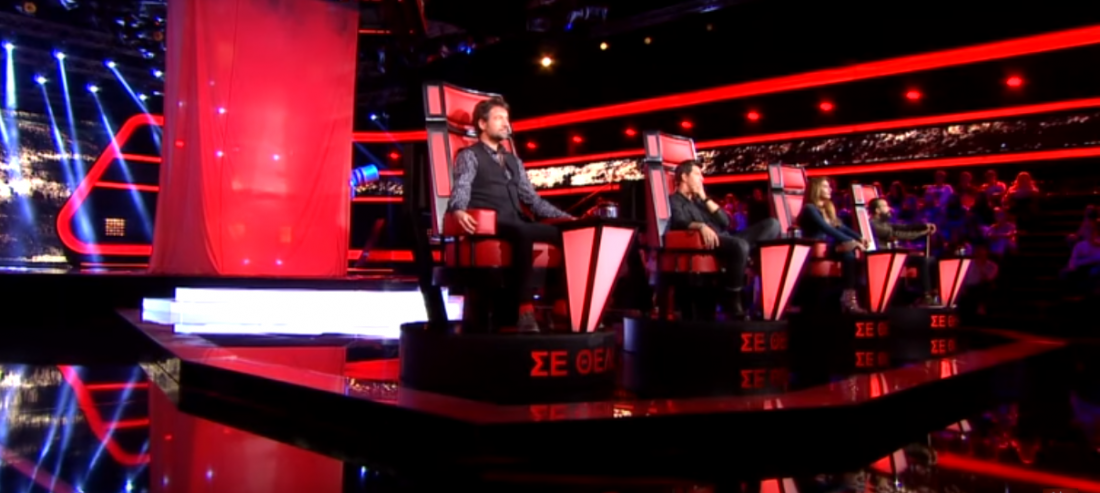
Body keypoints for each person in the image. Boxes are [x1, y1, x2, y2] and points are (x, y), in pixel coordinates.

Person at [447, 96, 573, 333]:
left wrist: (568, 219)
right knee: (523, 232)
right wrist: (458, 208)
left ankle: (561, 302)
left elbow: (533, 200)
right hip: (491, 222)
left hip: (516, 220)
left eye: (507, 118)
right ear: (482, 124)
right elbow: (462, 185)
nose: (506, 123)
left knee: (565, 233)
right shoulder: (469, 155)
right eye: (498, 118)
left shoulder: (514, 161)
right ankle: (524, 310)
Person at [667, 160, 780, 318]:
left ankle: (742, 256)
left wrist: (704, 198)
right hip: (710, 241)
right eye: (697, 174)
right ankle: (732, 297)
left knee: (773, 225)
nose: (702, 178)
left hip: (727, 238)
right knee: (740, 245)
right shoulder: (675, 200)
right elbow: (678, 221)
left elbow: (725, 222)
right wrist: (700, 226)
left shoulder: (700, 201)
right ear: (684, 177)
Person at [798, 177, 868, 313]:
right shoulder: (809, 208)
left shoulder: (827, 208)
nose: (830, 189)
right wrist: (850, 241)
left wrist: (859, 237)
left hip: (831, 245)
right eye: (825, 186)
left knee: (850, 254)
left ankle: (849, 297)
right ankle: (848, 300)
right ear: (816, 189)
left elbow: (841, 227)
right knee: (849, 250)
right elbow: (825, 228)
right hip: (816, 246)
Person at [868, 197, 937, 304]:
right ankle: (925, 295)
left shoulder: (884, 223)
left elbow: (903, 227)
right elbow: (900, 234)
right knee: (922, 260)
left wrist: (924, 226)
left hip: (892, 254)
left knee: (930, 259)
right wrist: (924, 232)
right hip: (883, 256)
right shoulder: (874, 224)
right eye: (885, 206)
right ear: (877, 210)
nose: (889, 208)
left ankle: (930, 293)